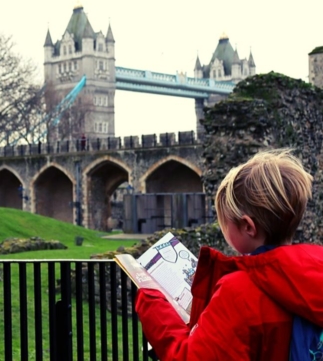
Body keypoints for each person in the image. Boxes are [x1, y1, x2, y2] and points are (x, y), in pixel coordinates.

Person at [135, 149, 323, 360]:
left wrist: (151, 299)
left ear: (248, 227)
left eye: (225, 220)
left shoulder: (239, 292)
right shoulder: (316, 269)